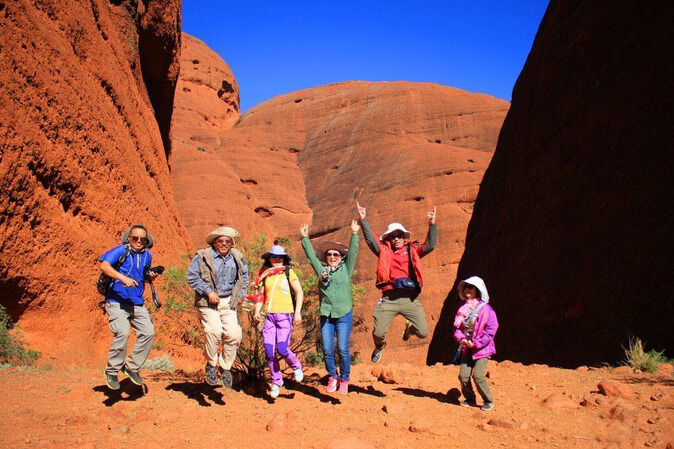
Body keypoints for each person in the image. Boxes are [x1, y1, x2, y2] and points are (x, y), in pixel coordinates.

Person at [356, 201, 437, 363]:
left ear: (404, 237)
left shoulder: (412, 250)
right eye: (393, 236)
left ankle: (410, 329)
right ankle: (380, 347)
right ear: (389, 238)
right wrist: (364, 220)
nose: (397, 238)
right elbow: (372, 241)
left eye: (399, 235)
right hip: (389, 299)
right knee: (378, 333)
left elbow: (430, 246)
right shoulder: (384, 251)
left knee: (423, 332)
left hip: (410, 300)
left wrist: (432, 224)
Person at [300, 220, 359, 394]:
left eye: (336, 254)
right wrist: (305, 238)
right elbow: (311, 257)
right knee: (326, 349)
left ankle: (345, 379)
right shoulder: (322, 271)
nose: (332, 257)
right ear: (325, 258)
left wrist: (355, 234)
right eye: (329, 255)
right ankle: (332, 376)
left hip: (343, 314)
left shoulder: (345, 270)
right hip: (326, 314)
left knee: (342, 348)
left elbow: (353, 253)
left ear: (341, 257)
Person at [187, 226, 249, 388]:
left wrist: (241, 295)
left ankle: (226, 367)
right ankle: (211, 364)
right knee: (214, 331)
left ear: (231, 243)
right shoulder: (202, 256)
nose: (223, 244)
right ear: (214, 242)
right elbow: (192, 276)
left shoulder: (237, 256)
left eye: (227, 241)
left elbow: (244, 276)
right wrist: (208, 292)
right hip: (208, 302)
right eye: (220, 241)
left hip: (229, 301)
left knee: (234, 334)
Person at [100, 224, 159, 390]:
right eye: (135, 238)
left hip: (136, 302)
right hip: (116, 300)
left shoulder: (147, 255)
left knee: (148, 333)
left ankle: (131, 367)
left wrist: (150, 276)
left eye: (142, 239)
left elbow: (143, 274)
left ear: (146, 241)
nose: (139, 241)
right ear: (129, 238)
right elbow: (104, 265)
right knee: (122, 332)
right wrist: (122, 278)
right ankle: (112, 370)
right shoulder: (121, 250)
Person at [252, 244, 304, 399]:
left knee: (282, 348)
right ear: (269, 258)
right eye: (274, 257)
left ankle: (296, 366)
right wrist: (256, 311)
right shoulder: (265, 275)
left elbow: (299, 292)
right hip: (268, 316)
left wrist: (298, 313)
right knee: (269, 351)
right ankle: (276, 381)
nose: (277, 259)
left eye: (280, 257)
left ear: (284, 258)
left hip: (285, 315)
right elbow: (261, 296)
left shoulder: (288, 272)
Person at [453, 276, 498, 411]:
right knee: (463, 376)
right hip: (467, 348)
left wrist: (477, 343)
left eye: (470, 287)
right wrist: (461, 339)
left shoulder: (486, 310)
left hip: (482, 350)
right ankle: (470, 399)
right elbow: (457, 329)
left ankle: (488, 400)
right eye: (466, 287)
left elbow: (491, 330)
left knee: (478, 376)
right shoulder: (462, 310)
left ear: (477, 290)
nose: (467, 289)